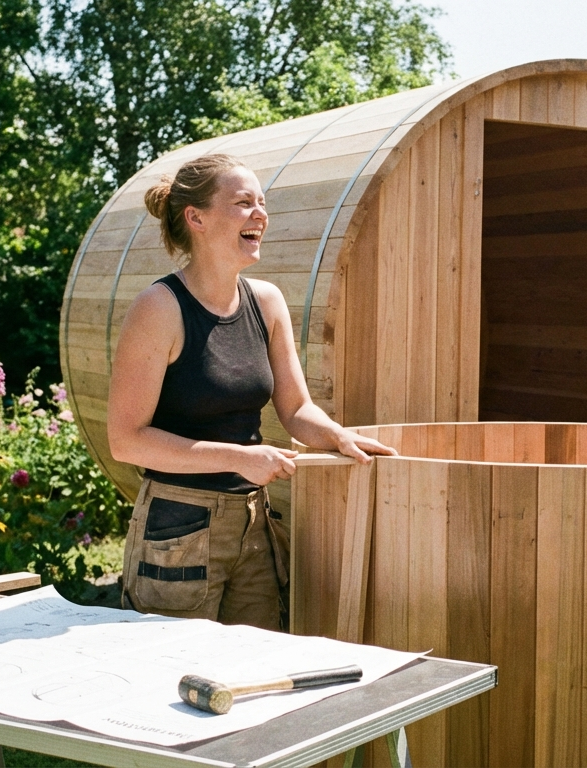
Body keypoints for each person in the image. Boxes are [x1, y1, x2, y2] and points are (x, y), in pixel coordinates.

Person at [107, 154, 394, 631]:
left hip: (254, 523)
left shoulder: (267, 302)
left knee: (252, 671)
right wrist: (239, 457)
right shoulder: (159, 308)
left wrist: (338, 436)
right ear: (195, 218)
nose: (260, 213)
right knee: (167, 676)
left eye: (262, 203)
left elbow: (298, 408)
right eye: (243, 203)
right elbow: (127, 440)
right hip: (177, 529)